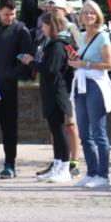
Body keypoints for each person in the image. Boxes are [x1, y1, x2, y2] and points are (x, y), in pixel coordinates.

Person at [0, 0, 34, 179]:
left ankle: (10, 164)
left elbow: (27, 58)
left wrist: (11, 75)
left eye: (12, 14)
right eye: (6, 14)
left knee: (9, 127)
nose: (9, 18)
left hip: (8, 87)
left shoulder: (20, 30)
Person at [68, 0, 111, 188]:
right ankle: (91, 172)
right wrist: (75, 62)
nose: (88, 16)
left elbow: (109, 65)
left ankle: (103, 175)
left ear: (97, 16)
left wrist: (85, 65)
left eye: (92, 13)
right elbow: (81, 60)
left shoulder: (103, 37)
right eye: (85, 13)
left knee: (98, 131)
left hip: (96, 83)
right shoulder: (81, 36)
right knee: (84, 131)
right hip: (81, 83)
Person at [38, 0, 82, 177]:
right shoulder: (49, 35)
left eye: (55, 9)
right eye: (49, 9)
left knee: (69, 124)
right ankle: (58, 162)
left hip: (64, 86)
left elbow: (78, 53)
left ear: (64, 11)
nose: (51, 12)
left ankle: (72, 161)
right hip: (53, 87)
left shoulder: (70, 30)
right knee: (55, 127)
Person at [32, 13, 75, 183]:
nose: (42, 28)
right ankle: (57, 165)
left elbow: (51, 69)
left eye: (45, 25)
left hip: (58, 93)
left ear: (52, 25)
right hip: (51, 93)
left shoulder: (58, 46)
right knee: (55, 131)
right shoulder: (52, 44)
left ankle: (65, 168)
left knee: (60, 130)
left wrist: (32, 63)